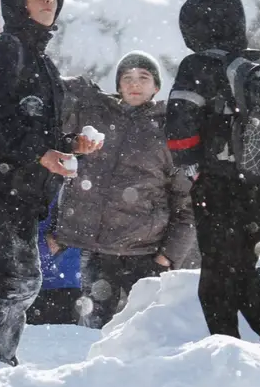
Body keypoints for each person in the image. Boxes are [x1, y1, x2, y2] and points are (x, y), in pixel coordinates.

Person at [0, 0, 101, 365]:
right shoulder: (5, 51)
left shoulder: (40, 59)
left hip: (27, 189)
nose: (50, 2)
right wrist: (41, 153)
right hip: (2, 186)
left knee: (20, 278)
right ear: (17, 1)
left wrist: (71, 145)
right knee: (20, 279)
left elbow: (33, 128)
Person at [165, 0, 260, 355]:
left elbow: (180, 122)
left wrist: (190, 167)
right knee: (242, 260)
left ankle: (226, 348)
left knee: (216, 268)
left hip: (217, 180)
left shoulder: (199, 66)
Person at [52, 51, 196, 328]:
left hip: (145, 254)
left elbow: (186, 202)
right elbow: (62, 98)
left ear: (156, 87)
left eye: (144, 78)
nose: (134, 84)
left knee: (147, 334)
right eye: (127, 78)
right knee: (89, 333)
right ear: (118, 85)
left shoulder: (170, 128)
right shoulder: (96, 116)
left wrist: (168, 257)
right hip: (94, 250)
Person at [26, 194, 81, 325]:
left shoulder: (67, 186)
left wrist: (59, 239)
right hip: (40, 280)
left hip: (64, 280)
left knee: (64, 334)